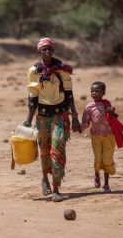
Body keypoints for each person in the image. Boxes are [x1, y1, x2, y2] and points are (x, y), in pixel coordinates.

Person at [24, 37, 81, 202]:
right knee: (44, 151)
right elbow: (32, 97)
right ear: (39, 51)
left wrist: (75, 116)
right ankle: (44, 178)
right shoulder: (34, 71)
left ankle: (56, 188)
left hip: (60, 115)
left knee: (57, 150)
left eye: (50, 49)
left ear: (53, 51)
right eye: (44, 49)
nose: (47, 52)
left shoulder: (62, 69)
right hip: (42, 116)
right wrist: (28, 120)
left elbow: (69, 94)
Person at [80, 81, 123, 192]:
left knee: (107, 159)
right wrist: (77, 127)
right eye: (92, 91)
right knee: (97, 158)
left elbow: (115, 116)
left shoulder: (107, 105)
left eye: (97, 91)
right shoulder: (89, 107)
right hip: (95, 136)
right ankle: (96, 174)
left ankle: (106, 183)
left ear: (103, 93)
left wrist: (111, 112)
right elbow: (85, 123)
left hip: (109, 136)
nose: (94, 93)